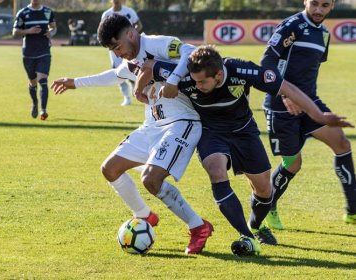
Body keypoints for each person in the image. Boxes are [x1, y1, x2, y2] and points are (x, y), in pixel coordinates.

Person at [137, 45, 353, 256]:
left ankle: (256, 225)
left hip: (244, 131)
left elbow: (288, 88)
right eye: (195, 80)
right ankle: (246, 235)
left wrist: (319, 116)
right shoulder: (184, 76)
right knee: (216, 169)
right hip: (211, 132)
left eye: (203, 81)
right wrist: (140, 90)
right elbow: (147, 65)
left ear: (219, 74)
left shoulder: (241, 70)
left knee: (264, 189)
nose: (198, 85)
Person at [50, 14, 213, 255]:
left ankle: (198, 227)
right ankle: (144, 215)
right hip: (152, 126)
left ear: (130, 34)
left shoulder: (157, 44)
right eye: (111, 50)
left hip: (181, 123)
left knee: (151, 180)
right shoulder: (131, 61)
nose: (117, 53)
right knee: (110, 168)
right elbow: (114, 75)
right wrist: (75, 82)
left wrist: (174, 78)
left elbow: (191, 50)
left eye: (117, 47)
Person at [260, 0, 356, 228]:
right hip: (282, 104)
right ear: (305, 1)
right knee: (293, 163)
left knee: (342, 143)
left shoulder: (323, 34)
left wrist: (307, 101)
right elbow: (267, 63)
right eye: (314, 4)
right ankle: (267, 206)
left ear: (332, 6)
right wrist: (286, 95)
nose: (318, 10)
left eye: (325, 5)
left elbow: (308, 69)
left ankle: (353, 210)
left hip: (310, 102)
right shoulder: (290, 26)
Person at [12, 0, 56, 120]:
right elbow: (15, 31)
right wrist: (28, 31)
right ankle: (35, 103)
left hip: (44, 51)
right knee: (32, 82)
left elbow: (53, 28)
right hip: (28, 53)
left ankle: (43, 110)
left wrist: (50, 33)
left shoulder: (47, 12)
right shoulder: (23, 13)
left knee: (43, 80)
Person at [101, 0, 143, 106]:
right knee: (118, 74)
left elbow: (138, 25)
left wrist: (131, 37)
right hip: (115, 51)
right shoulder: (106, 14)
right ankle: (126, 97)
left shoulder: (129, 11)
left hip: (129, 48)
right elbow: (102, 33)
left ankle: (136, 90)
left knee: (133, 70)